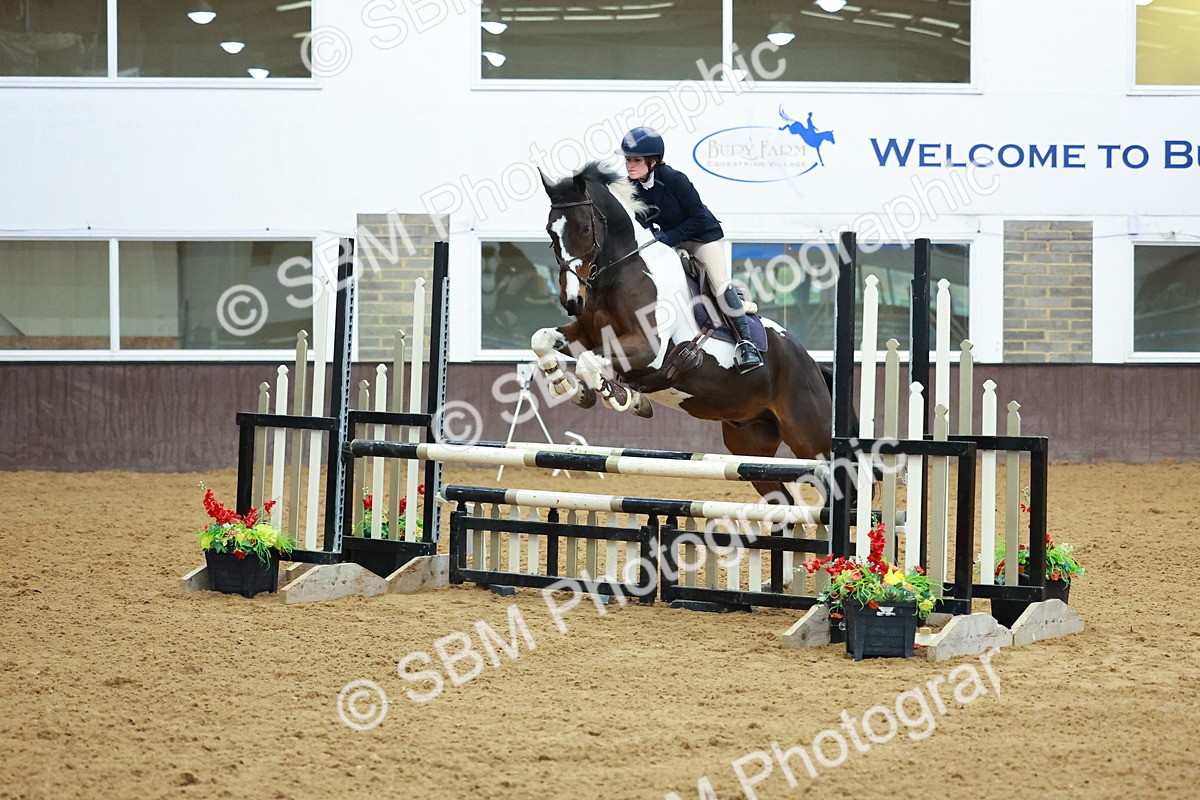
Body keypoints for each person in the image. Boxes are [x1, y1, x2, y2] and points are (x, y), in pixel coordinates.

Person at [620, 126, 763, 373]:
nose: (629, 165)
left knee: (719, 284)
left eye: (636, 160)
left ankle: (745, 344)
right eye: (627, 160)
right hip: (672, 241)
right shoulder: (631, 186)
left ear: (653, 161)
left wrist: (667, 238)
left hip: (703, 237)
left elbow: (698, 217)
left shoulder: (676, 180)